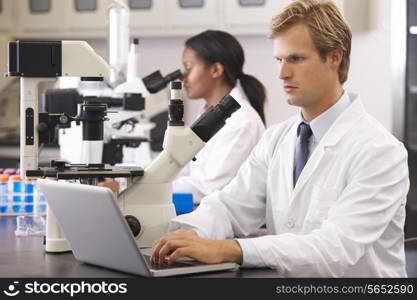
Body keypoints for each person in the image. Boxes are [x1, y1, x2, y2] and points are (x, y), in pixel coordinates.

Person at [150, 0, 410, 277]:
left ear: (334, 57)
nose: (282, 73)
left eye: (296, 59)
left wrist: (232, 249)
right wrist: (178, 236)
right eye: (279, 59)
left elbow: (333, 250)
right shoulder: (277, 138)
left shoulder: (380, 151)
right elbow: (229, 206)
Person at [101, 30, 266, 204]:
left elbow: (206, 189)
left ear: (216, 70)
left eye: (188, 68)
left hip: (223, 220)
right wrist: (132, 181)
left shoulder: (242, 122)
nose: (183, 77)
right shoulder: (207, 112)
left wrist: (131, 188)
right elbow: (184, 167)